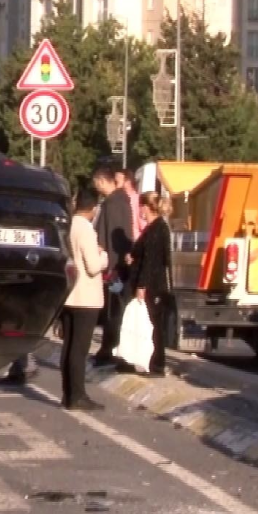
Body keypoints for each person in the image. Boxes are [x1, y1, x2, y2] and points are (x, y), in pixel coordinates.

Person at [59, 189, 110, 410]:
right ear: (94, 208)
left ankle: (68, 393)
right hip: (86, 297)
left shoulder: (68, 226)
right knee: (80, 349)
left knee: (68, 346)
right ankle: (78, 395)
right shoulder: (87, 229)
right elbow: (92, 266)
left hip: (69, 294)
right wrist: (103, 256)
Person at [123, 192, 172, 377]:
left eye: (140, 207)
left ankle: (157, 364)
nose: (139, 212)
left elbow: (151, 261)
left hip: (153, 285)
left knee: (154, 325)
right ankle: (147, 361)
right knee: (149, 323)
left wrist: (142, 285)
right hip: (150, 283)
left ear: (146, 207)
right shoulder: (153, 228)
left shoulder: (157, 229)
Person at [91, 165, 136, 367]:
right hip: (119, 264)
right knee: (115, 309)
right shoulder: (121, 202)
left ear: (101, 181)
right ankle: (111, 348)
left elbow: (105, 238)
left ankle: (110, 348)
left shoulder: (112, 203)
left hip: (114, 266)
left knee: (113, 310)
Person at [114, 166, 144, 239]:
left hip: (134, 240)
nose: (115, 184)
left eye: (117, 181)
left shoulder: (137, 199)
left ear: (128, 181)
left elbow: (142, 223)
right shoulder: (116, 199)